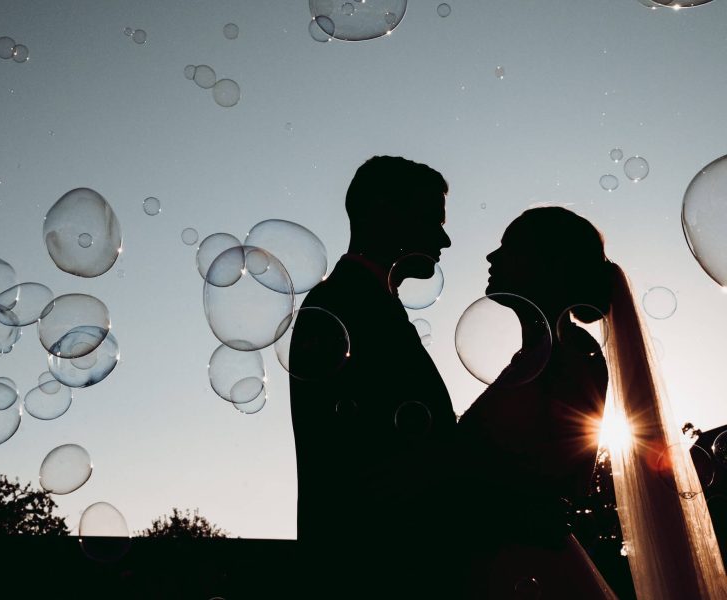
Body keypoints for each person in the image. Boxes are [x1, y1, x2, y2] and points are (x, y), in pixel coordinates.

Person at [455, 206, 727, 599]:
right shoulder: (542, 354)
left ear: (548, 265)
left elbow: (556, 475)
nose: (491, 257)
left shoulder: (571, 353)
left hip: (522, 565)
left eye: (509, 247)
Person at [288, 155, 457, 596]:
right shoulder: (339, 303)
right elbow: (354, 455)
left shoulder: (366, 301)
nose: (444, 239)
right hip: (371, 569)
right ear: (384, 212)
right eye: (430, 219)